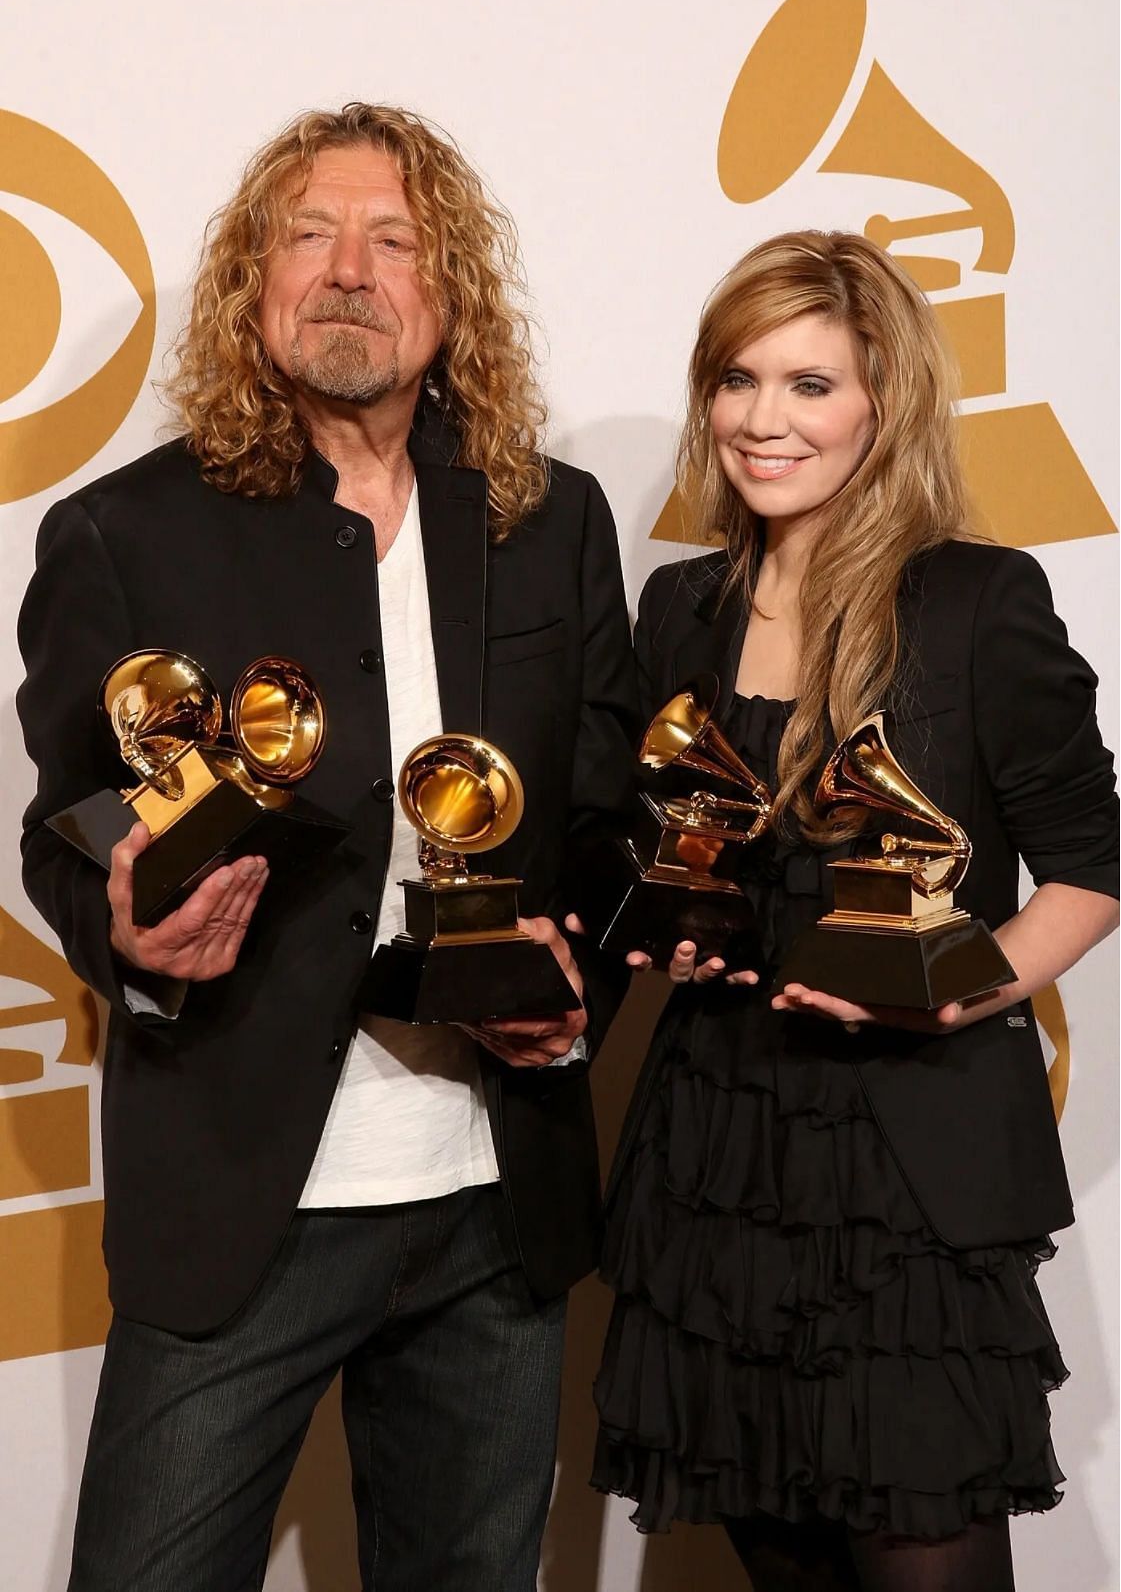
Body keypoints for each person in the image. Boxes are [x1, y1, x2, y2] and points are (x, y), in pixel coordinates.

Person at [17, 103, 637, 1592]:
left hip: (497, 1198)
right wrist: (131, 934)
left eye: (393, 239)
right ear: (254, 278)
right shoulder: (124, 533)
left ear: (449, 292)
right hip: (244, 1192)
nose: (349, 269)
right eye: (310, 232)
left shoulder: (550, 521)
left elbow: (610, 816)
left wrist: (577, 991)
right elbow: (71, 821)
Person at [589, 231, 1118, 1591]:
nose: (763, 419)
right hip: (717, 1143)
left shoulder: (974, 603)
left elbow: (1089, 865)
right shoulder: (679, 608)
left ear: (884, 401)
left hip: (907, 1164)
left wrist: (955, 983)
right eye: (737, 377)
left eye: (809, 384)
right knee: (779, 1557)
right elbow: (669, 851)